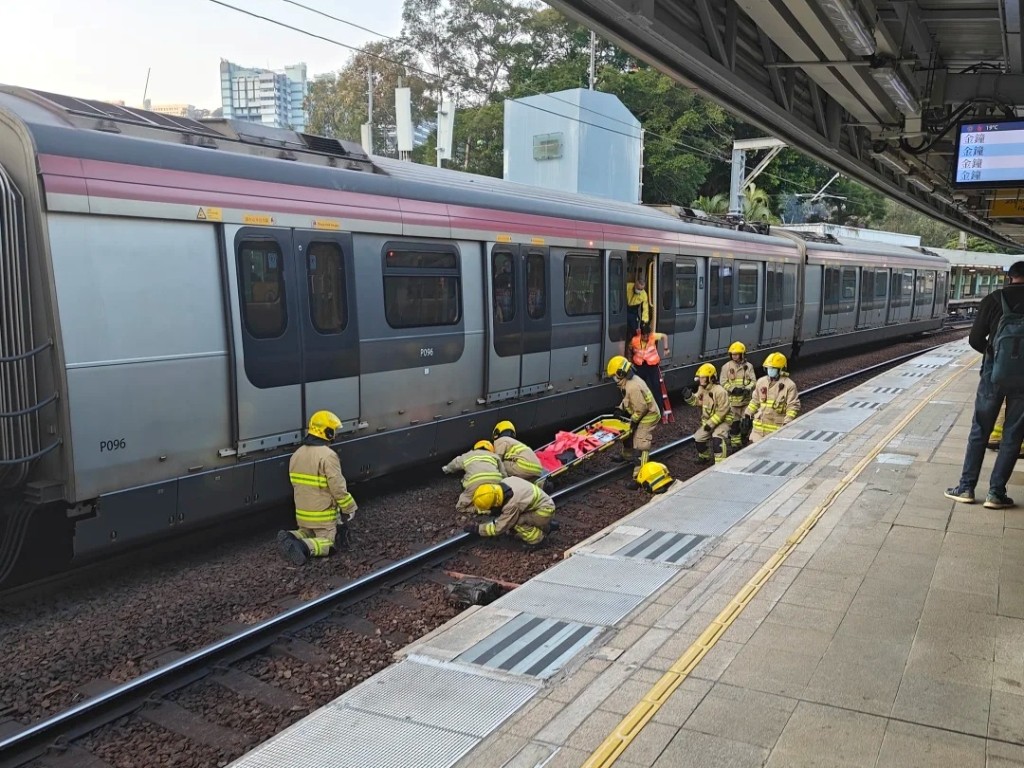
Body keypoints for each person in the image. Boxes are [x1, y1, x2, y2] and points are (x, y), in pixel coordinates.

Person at [945, 260, 1024, 509]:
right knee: (1013, 434)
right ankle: (996, 493)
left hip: (993, 374)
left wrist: (993, 355)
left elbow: (975, 339)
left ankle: (966, 488)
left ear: (1010, 277)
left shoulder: (993, 299)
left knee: (980, 429)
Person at [278, 410, 357, 566]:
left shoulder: (297, 454)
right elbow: (337, 487)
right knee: (329, 543)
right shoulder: (327, 455)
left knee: (308, 532)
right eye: (333, 430)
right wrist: (349, 507)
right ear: (327, 432)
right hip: (322, 516)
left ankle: (290, 536)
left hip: (302, 514)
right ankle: (302, 547)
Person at [607, 355, 661, 488]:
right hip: (642, 412)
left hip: (649, 415)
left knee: (640, 445)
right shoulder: (629, 382)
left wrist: (633, 421)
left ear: (620, 373)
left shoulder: (633, 386)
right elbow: (628, 399)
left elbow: (641, 408)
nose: (614, 378)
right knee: (628, 434)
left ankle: (639, 477)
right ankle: (627, 456)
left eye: (614, 375)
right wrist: (620, 409)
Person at [466, 477, 556, 547]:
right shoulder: (506, 481)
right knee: (517, 518)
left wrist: (478, 529)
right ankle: (546, 527)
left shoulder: (512, 504)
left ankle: (538, 541)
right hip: (541, 504)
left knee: (516, 522)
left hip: (545, 512)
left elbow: (500, 527)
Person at [744, 352, 801, 444]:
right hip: (758, 430)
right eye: (769, 368)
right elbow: (755, 401)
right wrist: (747, 414)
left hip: (776, 430)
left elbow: (792, 407)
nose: (770, 370)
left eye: (773, 368)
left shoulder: (789, 385)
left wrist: (787, 423)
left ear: (781, 369)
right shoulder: (761, 382)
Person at [683, 363, 731, 464]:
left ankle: (721, 464)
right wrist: (689, 397)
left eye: (703, 378)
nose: (700, 380)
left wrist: (710, 424)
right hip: (709, 422)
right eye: (700, 378)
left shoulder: (720, 391)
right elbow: (696, 401)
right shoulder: (702, 389)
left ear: (711, 378)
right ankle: (704, 457)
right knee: (698, 438)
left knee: (717, 440)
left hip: (723, 422)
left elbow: (723, 411)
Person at [443, 440, 507, 513]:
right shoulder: (494, 455)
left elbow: (455, 464)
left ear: (475, 448)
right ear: (491, 450)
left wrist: (447, 469)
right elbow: (503, 473)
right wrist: (504, 484)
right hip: (496, 480)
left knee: (460, 507)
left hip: (475, 482)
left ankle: (481, 510)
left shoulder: (467, 455)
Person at [721, 341, 757, 449]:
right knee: (734, 426)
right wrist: (732, 389)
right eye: (732, 354)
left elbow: (754, 381)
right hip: (732, 403)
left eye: (736, 354)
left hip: (745, 402)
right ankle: (735, 446)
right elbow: (723, 382)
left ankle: (744, 439)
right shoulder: (726, 367)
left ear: (742, 354)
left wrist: (747, 389)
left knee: (746, 424)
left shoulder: (749, 367)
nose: (734, 356)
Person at [629, 322, 670, 414]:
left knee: (656, 387)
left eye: (648, 335)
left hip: (652, 367)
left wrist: (666, 348)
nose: (646, 338)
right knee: (639, 388)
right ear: (641, 334)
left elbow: (664, 336)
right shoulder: (634, 340)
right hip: (640, 367)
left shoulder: (653, 336)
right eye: (644, 336)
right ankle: (639, 411)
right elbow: (629, 349)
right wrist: (629, 361)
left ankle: (659, 411)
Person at [626, 270, 651, 336]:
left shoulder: (644, 295)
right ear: (635, 284)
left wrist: (644, 322)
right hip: (624, 308)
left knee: (634, 329)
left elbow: (645, 309)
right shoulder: (628, 286)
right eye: (638, 288)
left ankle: (631, 343)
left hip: (633, 312)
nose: (639, 290)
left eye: (641, 289)